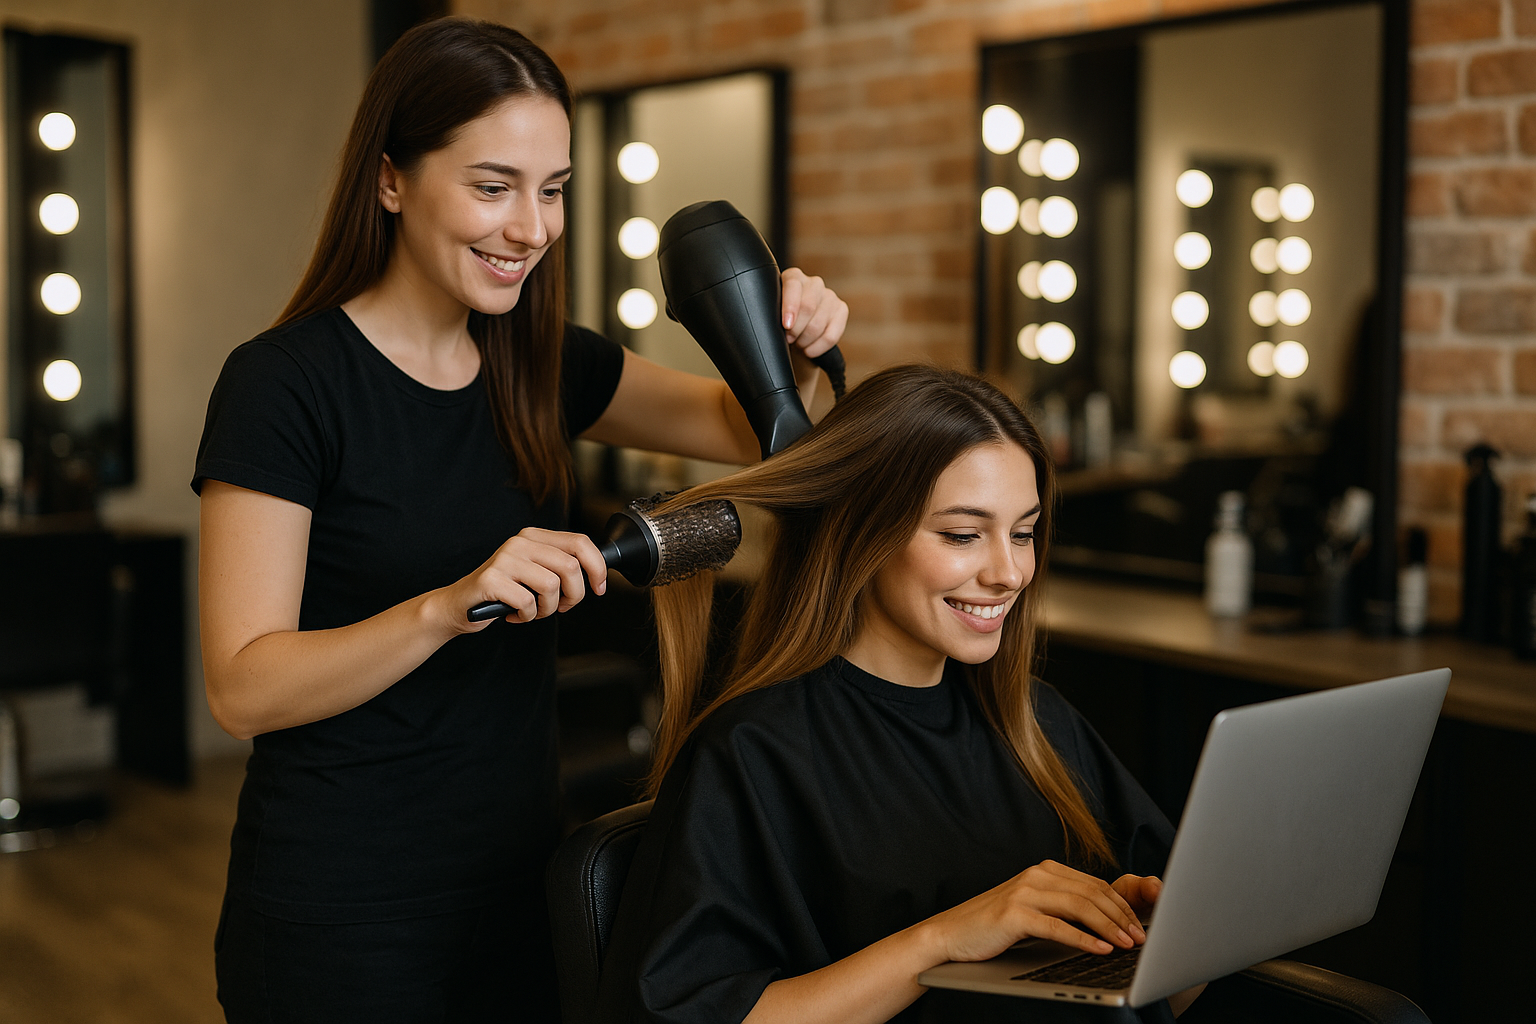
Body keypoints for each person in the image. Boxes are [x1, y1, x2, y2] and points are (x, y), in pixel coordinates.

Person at [192, 17, 847, 1023]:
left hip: (521, 880)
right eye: (493, 186)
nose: (532, 228)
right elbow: (244, 686)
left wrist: (787, 342)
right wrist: (446, 607)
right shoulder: (285, 387)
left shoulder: (540, 361)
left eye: (553, 190)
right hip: (343, 910)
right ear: (390, 179)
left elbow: (752, 428)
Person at [595, 365, 1204, 1024]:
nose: (1008, 573)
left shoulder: (1036, 723)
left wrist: (1173, 940)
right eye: (963, 534)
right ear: (864, 532)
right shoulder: (754, 752)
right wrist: (943, 940)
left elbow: (1176, 993)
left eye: (1023, 532)